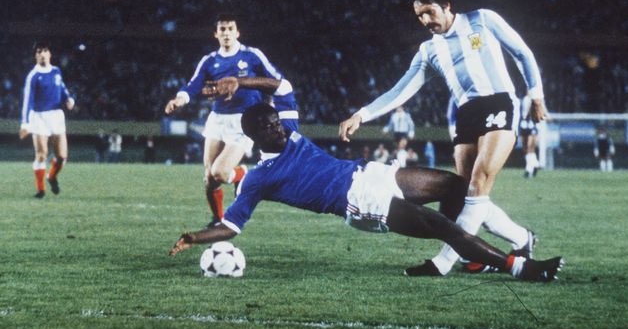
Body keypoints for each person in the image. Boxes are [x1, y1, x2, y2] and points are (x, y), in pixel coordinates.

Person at [169, 103, 563, 283]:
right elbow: (232, 227)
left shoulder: (289, 132)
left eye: (278, 122)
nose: (279, 128)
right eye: (270, 127)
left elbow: (279, 86)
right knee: (443, 225)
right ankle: (520, 266)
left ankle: (480, 254)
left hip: (371, 173)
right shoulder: (258, 178)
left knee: (457, 184)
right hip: (360, 203)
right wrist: (193, 237)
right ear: (255, 136)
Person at [339, 0, 547, 276]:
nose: (425, 20)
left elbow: (522, 53)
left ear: (447, 5)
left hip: (500, 102)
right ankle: (521, 238)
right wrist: (361, 114)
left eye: (429, 11)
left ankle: (443, 262)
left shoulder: (483, 19)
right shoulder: (428, 50)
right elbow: (401, 91)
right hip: (467, 115)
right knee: (467, 194)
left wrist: (536, 96)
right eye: (419, 16)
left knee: (478, 184)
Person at [164, 13, 297, 226]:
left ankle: (243, 174)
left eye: (230, 29)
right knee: (209, 179)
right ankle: (218, 219)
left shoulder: (252, 56)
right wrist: (180, 99)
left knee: (220, 171)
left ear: (237, 32)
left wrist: (273, 102)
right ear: (216, 34)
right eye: (222, 29)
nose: (226, 33)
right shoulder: (209, 60)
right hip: (217, 119)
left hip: (244, 121)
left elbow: (276, 79)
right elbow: (194, 84)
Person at [19, 42, 75, 199]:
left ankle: (51, 177)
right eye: (39, 52)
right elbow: (27, 101)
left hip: (56, 116)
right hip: (39, 117)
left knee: (62, 156)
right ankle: (40, 189)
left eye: (45, 51)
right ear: (35, 56)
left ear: (50, 54)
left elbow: (62, 88)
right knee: (42, 154)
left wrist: (69, 99)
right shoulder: (33, 76)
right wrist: (25, 123)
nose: (42, 54)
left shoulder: (56, 71)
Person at [519, 94, 541, 178]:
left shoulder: (537, 98)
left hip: (533, 124)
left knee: (530, 147)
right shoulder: (524, 98)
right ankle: (535, 164)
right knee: (525, 148)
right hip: (524, 124)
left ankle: (528, 169)